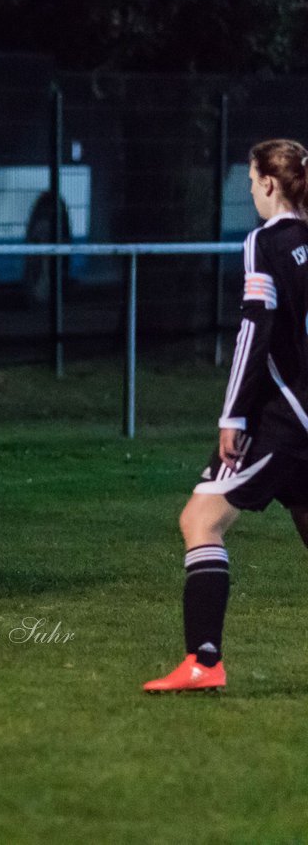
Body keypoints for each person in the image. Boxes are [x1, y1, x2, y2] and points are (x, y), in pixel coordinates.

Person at [143, 138, 308, 692]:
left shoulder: (266, 243)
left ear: (268, 183)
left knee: (201, 520)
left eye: (251, 182)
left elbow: (254, 330)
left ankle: (204, 661)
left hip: (280, 418)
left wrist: (232, 416)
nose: (251, 193)